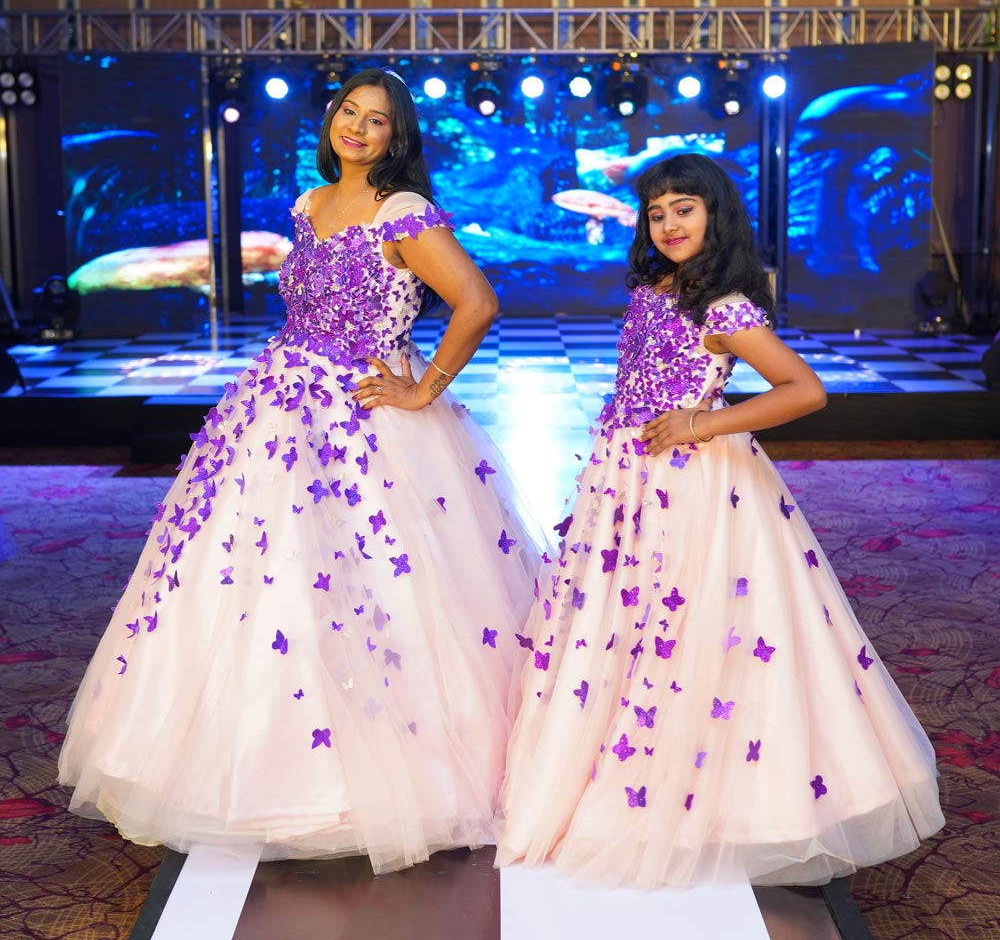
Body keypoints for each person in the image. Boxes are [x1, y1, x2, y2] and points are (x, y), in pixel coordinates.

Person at [58, 68, 543, 873]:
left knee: (378, 587)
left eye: (376, 120)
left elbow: (477, 302)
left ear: (398, 136)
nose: (357, 128)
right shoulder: (310, 205)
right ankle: (252, 766)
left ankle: (394, 774)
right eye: (349, 113)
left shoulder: (404, 212)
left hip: (369, 419)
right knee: (253, 577)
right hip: (277, 412)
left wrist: (423, 387)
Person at [494, 154, 944, 889]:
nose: (669, 223)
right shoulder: (652, 286)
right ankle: (601, 762)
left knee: (695, 626)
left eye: (685, 209)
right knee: (617, 622)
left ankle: (702, 785)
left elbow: (804, 391)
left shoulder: (725, 305)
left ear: (716, 215)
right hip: (625, 478)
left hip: (692, 485)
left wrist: (704, 420)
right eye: (657, 211)